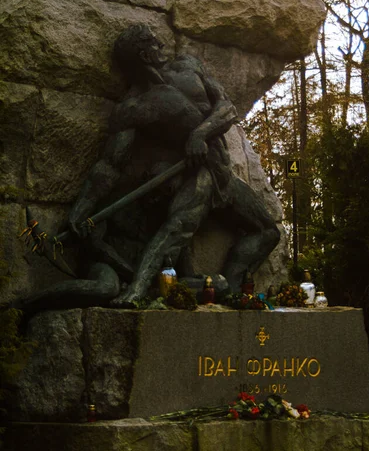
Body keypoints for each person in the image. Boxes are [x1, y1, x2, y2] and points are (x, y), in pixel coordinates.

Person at [14, 24, 280, 311]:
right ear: (144, 55)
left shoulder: (189, 66)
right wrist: (81, 208)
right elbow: (109, 166)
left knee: (268, 231)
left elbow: (227, 108)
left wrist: (199, 134)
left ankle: (231, 287)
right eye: (154, 44)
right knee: (178, 227)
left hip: (221, 172)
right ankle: (138, 289)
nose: (161, 47)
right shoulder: (134, 107)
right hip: (189, 171)